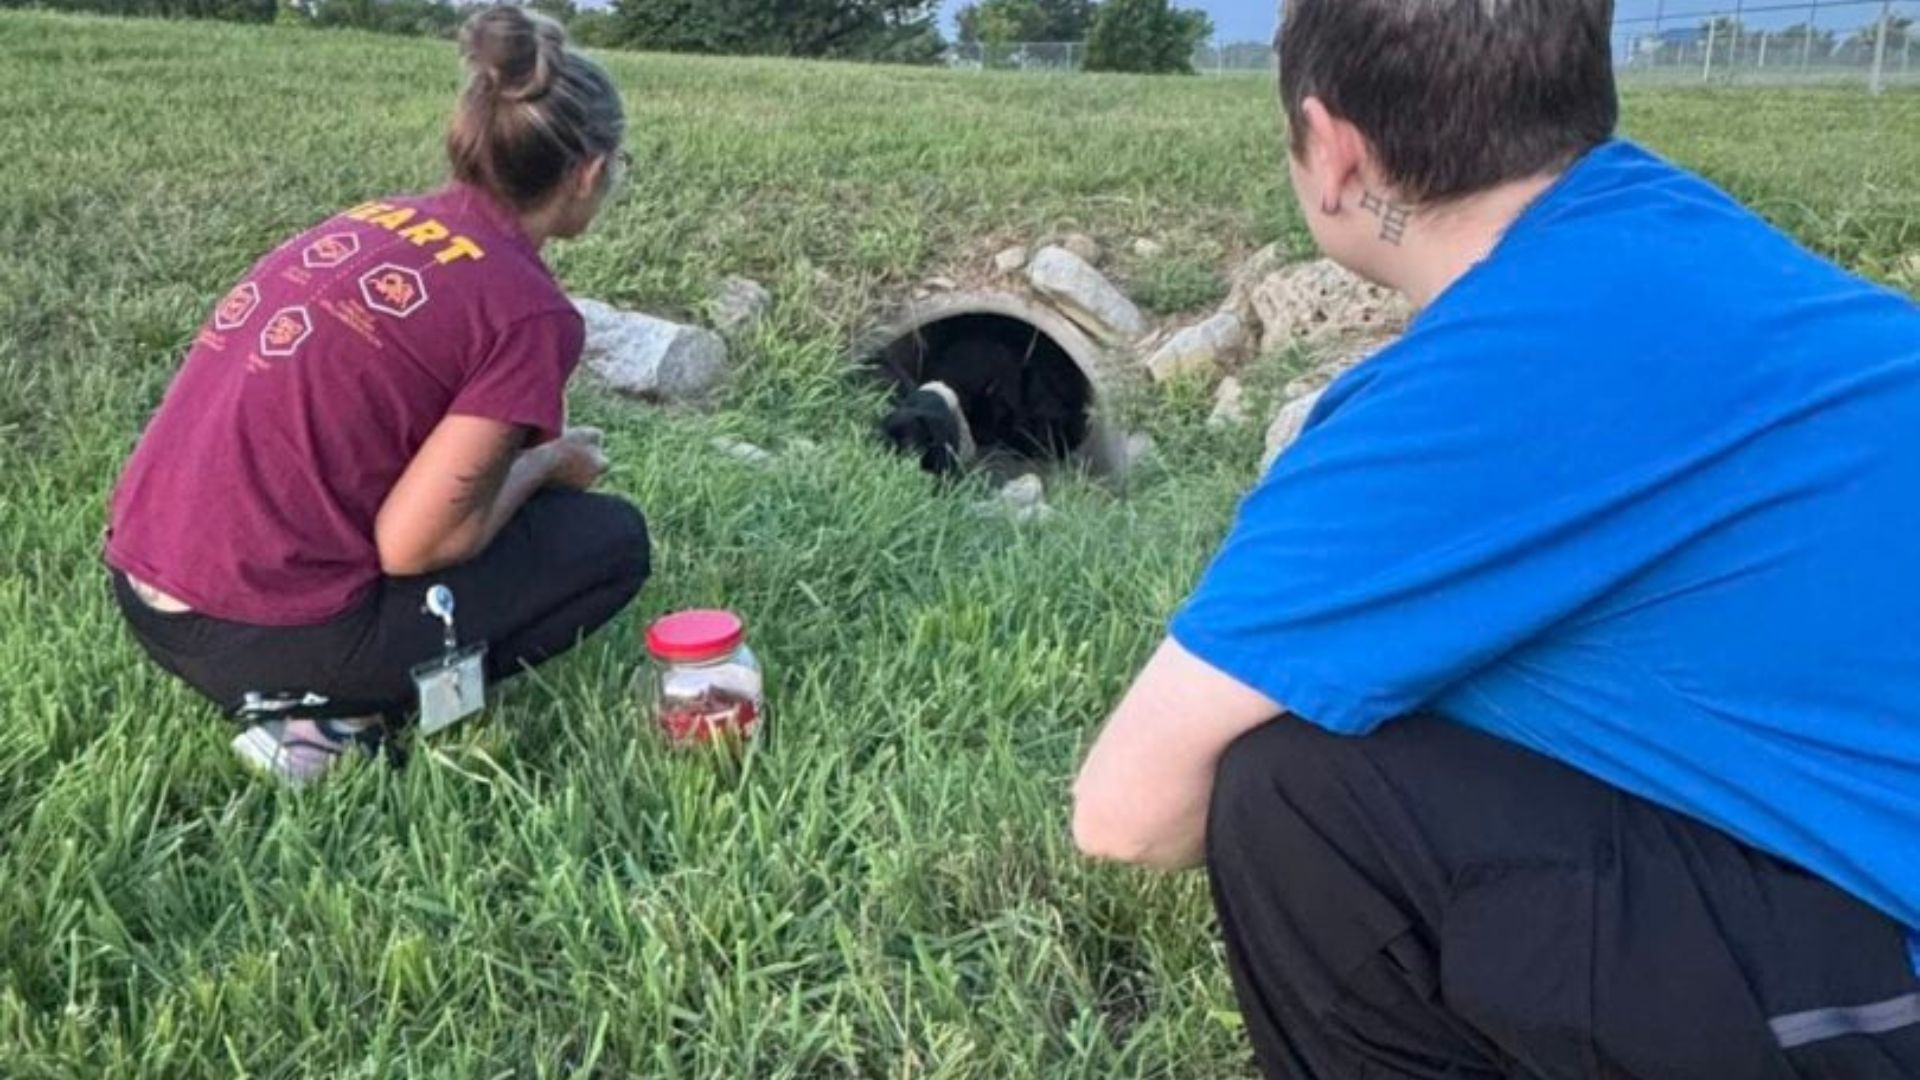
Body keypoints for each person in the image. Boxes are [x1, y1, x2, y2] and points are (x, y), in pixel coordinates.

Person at [1072, 1, 1920, 1076]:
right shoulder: (1677, 234)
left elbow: (1127, 814)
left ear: (1333, 152)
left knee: (1291, 792)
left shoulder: (1470, 393)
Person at [106, 6, 649, 786]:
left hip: (143, 593)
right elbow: (417, 546)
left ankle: (314, 689)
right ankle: (330, 718)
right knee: (606, 541)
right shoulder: (528, 311)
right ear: (590, 171)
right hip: (254, 634)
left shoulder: (374, 218)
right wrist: (549, 463)